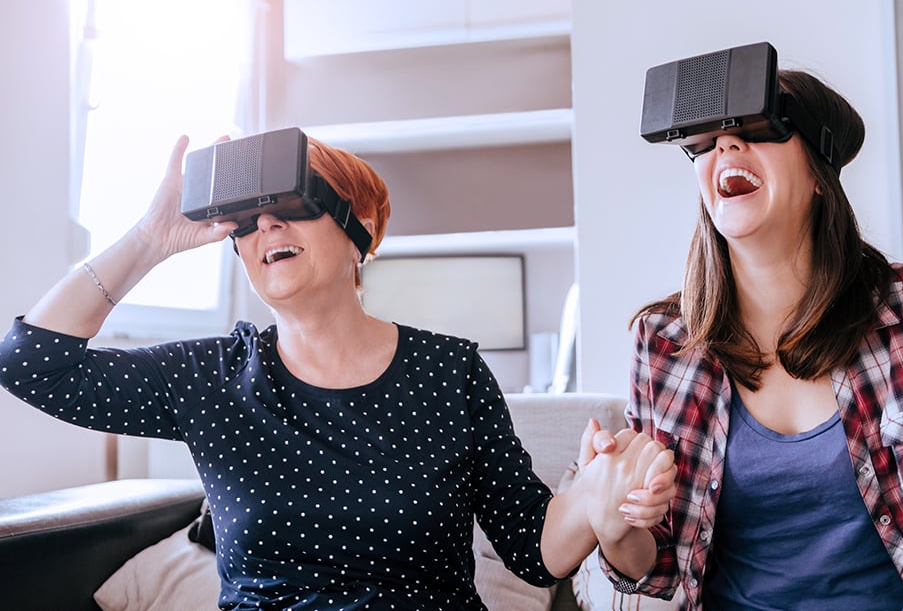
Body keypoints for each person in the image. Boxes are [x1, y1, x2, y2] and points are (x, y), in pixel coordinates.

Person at [0, 133, 676, 610]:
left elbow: (534, 549)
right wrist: (151, 239)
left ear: (363, 225)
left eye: (292, 201)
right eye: (244, 219)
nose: (265, 223)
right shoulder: (211, 377)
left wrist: (593, 497)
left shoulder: (450, 372)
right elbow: (32, 363)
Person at [601, 62, 903, 610]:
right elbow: (660, 565)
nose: (727, 145)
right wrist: (615, 524)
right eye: (707, 141)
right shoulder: (662, 342)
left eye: (761, 127)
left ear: (818, 173)